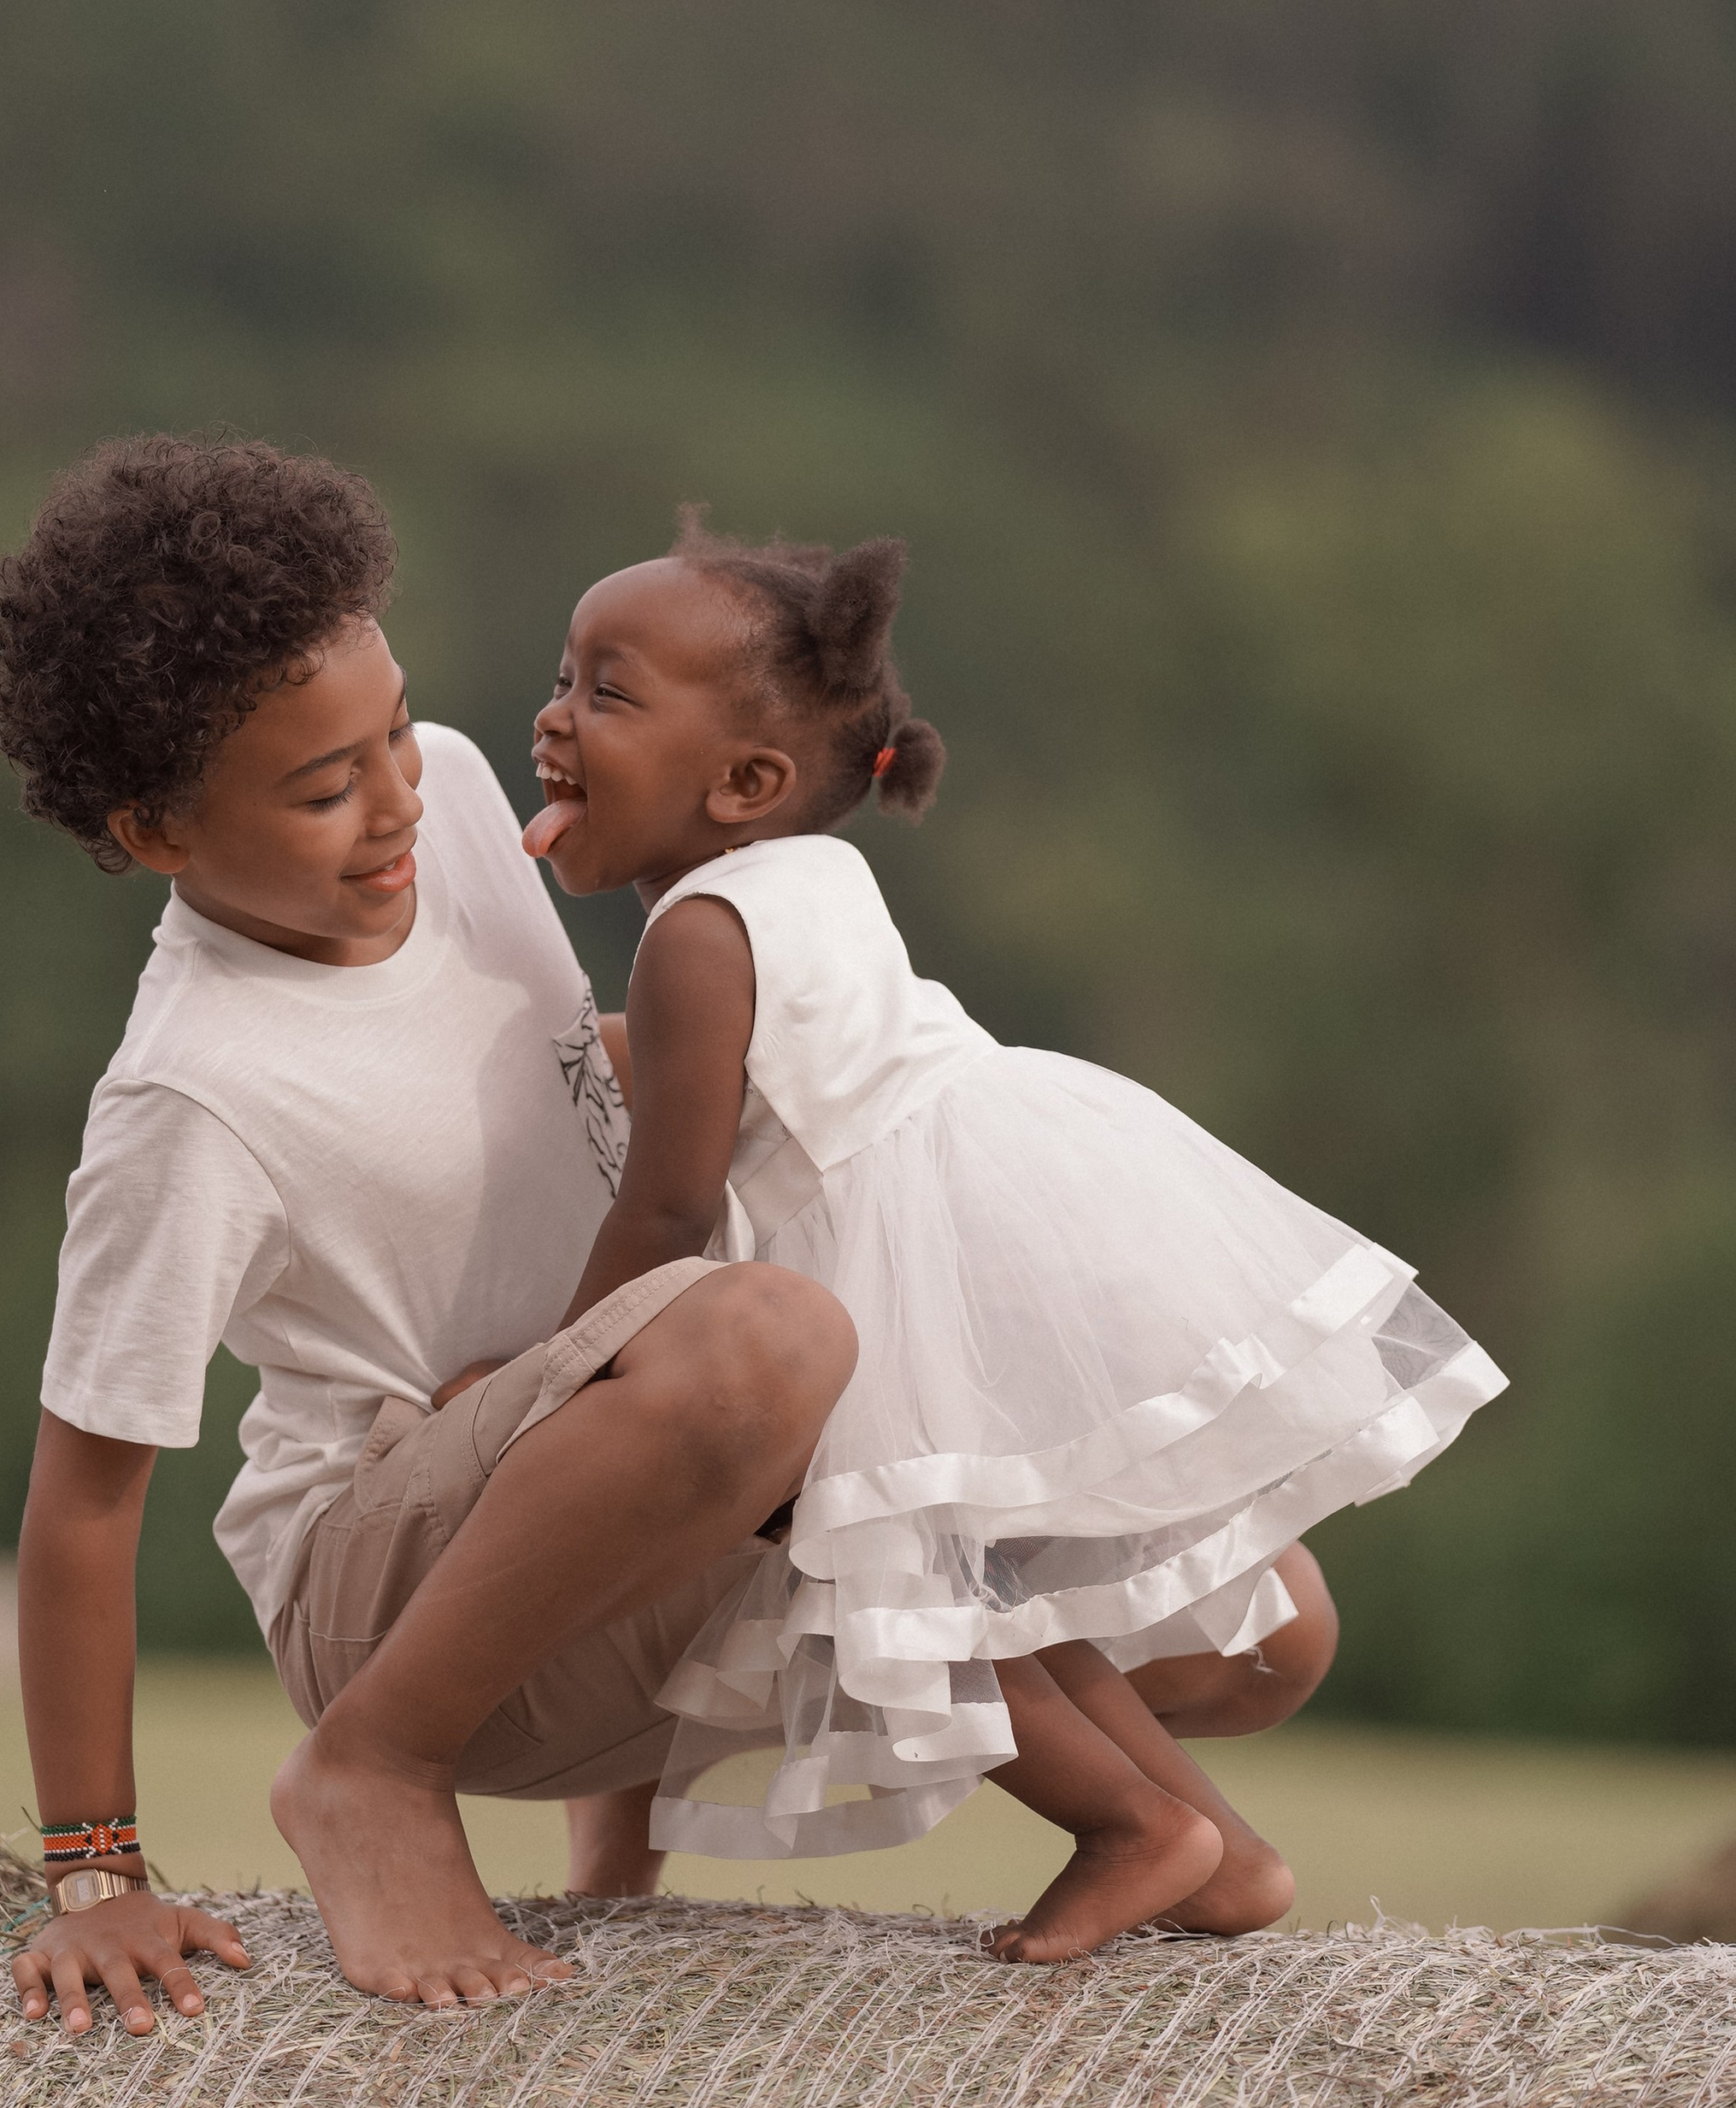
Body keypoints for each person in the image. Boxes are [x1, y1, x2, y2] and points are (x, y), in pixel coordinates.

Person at [513, 514, 1506, 1960]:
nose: (552, 715)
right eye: (562, 675)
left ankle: (1130, 1825)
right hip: (1006, 1192)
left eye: (607, 691)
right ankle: (1212, 1853)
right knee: (988, 1588)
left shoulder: (695, 936)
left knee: (905, 1588)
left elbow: (665, 1209)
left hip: (891, 1258)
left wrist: (555, 1387)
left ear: (744, 781)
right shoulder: (805, 877)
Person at [0, 436, 858, 2020]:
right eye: (326, 788)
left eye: (394, 732)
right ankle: (371, 1771)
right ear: (163, 832)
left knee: (1250, 1626)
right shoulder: (194, 1100)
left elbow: (528, 1082)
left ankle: (623, 1832)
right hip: (395, 1597)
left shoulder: (446, 796)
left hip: (595, 1502)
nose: (400, 801)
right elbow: (85, 1505)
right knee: (761, 1337)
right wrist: (97, 1874)